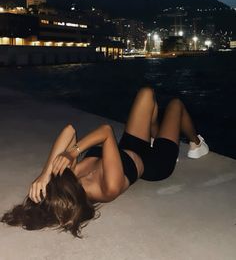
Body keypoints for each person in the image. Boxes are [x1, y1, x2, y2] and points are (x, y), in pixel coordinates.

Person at [1, 87, 209, 238]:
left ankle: (155, 135)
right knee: (175, 105)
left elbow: (70, 130)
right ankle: (196, 143)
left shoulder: (70, 178)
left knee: (146, 94)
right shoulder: (106, 189)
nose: (56, 176)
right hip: (154, 164)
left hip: (131, 147)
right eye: (53, 182)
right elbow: (106, 132)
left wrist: (45, 173)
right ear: (70, 194)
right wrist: (72, 153)